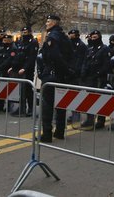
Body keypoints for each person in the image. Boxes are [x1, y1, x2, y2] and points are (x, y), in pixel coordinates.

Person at [39, 14, 74, 142]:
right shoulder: (64, 36)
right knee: (61, 105)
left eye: (48, 21)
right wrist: (68, 71)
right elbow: (70, 55)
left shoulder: (52, 37)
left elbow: (54, 56)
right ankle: (59, 131)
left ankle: (47, 134)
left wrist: (47, 72)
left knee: (47, 105)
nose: (46, 23)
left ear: (54, 23)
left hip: (52, 74)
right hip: (62, 76)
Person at [80, 30, 111, 130]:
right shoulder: (90, 49)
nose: (94, 39)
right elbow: (85, 61)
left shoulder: (104, 49)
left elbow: (106, 64)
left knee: (99, 100)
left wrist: (98, 73)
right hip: (90, 78)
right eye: (92, 37)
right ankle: (90, 119)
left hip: (99, 78)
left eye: (95, 37)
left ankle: (101, 120)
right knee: (89, 100)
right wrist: (83, 72)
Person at [9, 26, 39, 117]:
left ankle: (30, 108)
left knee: (28, 90)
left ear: (30, 32)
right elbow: (18, 56)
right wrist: (13, 67)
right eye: (22, 32)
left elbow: (31, 57)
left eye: (25, 32)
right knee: (20, 90)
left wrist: (25, 68)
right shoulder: (21, 41)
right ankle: (21, 108)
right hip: (19, 68)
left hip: (27, 69)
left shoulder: (33, 42)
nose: (23, 33)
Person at [66, 29, 88, 124]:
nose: (69, 35)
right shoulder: (68, 44)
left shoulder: (81, 46)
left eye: (70, 34)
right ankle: (73, 113)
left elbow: (82, 60)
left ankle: (76, 115)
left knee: (76, 95)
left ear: (74, 35)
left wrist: (78, 71)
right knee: (70, 95)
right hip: (70, 73)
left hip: (77, 74)